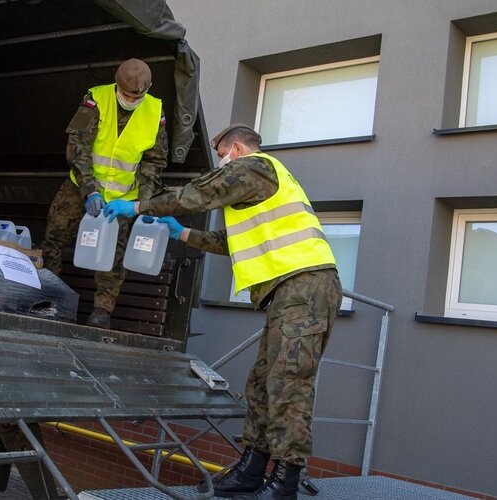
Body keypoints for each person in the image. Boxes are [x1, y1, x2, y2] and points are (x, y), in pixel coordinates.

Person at [102, 124, 342, 499]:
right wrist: (181, 232)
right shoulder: (258, 188)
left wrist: (137, 206)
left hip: (305, 287)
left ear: (236, 148)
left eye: (221, 154)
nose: (220, 162)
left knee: (288, 384)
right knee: (263, 382)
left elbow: (201, 191)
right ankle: (253, 468)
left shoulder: (255, 167)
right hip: (290, 291)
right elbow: (232, 242)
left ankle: (286, 480)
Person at [38, 58, 168, 329]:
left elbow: (154, 162)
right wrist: (89, 190)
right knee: (54, 236)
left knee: (114, 255)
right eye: (127, 94)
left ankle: (102, 311)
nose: (132, 99)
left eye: (137, 96)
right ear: (117, 85)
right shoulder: (96, 99)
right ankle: (47, 297)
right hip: (81, 187)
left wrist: (144, 203)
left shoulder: (155, 111)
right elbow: (78, 146)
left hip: (123, 198)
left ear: (148, 89)